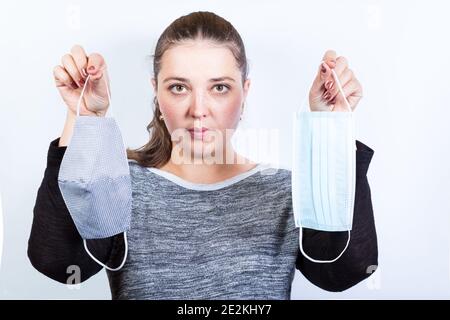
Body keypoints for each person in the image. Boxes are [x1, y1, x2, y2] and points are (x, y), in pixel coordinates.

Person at [28, 11, 377, 299]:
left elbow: (345, 271)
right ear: (157, 92)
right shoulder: (121, 186)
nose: (199, 109)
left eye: (220, 88)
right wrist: (83, 117)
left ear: (245, 92)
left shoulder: (286, 192)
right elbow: (60, 265)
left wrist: (333, 131)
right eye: (179, 87)